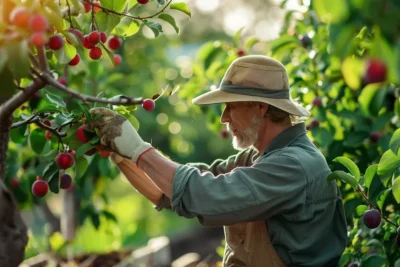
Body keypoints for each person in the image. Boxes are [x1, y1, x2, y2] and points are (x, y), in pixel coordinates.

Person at [89, 55, 348, 267]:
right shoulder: (259, 157)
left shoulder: (293, 166)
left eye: (231, 106)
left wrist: (138, 148)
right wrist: (120, 153)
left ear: (261, 107)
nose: (224, 118)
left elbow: (207, 196)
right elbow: (167, 192)